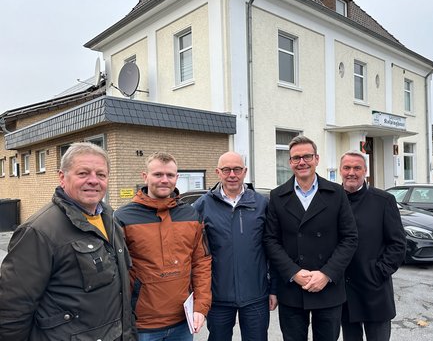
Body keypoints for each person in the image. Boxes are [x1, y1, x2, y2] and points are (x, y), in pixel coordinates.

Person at [0, 142, 136, 340]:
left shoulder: (110, 219)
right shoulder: (39, 231)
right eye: (83, 173)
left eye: (101, 174)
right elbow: (12, 309)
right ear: (62, 178)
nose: (93, 180)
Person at [263, 136, 358, 341]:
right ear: (289, 162)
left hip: (328, 287)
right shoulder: (277, 196)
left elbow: (349, 238)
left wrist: (327, 273)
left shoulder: (336, 193)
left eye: (307, 156)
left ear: (317, 159)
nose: (301, 162)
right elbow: (271, 240)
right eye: (296, 158)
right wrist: (293, 272)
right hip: (292, 288)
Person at [115, 152, 211, 341]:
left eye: (170, 175)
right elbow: (115, 272)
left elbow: (201, 263)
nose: (164, 180)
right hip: (142, 326)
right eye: (158, 174)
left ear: (177, 177)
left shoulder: (191, 215)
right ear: (145, 176)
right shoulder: (123, 217)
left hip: (182, 323)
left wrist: (201, 305)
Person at [193, 151, 277, 341]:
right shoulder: (203, 205)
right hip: (218, 297)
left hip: (256, 295)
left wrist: (274, 289)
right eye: (226, 169)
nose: (232, 174)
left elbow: (273, 248)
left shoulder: (261, 203)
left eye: (237, 169)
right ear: (218, 172)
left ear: (245, 171)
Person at [339, 150, 406, 341]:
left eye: (357, 168)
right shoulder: (332, 199)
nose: (351, 172)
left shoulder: (383, 201)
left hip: (375, 290)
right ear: (340, 170)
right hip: (344, 292)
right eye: (347, 168)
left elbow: (398, 244)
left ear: (365, 171)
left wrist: (379, 272)